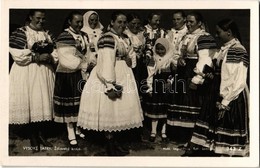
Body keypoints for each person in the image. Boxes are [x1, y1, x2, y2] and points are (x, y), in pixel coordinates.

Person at [77, 11, 144, 156]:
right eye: (119, 22)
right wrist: (109, 84)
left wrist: (130, 61)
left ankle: (116, 142)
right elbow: (105, 62)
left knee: (118, 110)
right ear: (112, 22)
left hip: (125, 74)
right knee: (110, 108)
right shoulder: (107, 38)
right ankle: (109, 144)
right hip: (110, 75)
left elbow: (132, 55)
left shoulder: (125, 38)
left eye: (124, 22)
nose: (122, 25)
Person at [189, 19, 250, 157]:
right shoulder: (225, 49)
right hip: (220, 91)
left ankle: (228, 155)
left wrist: (226, 100)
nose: (216, 35)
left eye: (218, 32)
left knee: (228, 122)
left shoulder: (237, 50)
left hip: (233, 94)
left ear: (228, 33)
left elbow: (237, 80)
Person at [9, 9, 57, 152]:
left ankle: (41, 133)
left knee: (41, 101)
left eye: (43, 19)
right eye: (38, 18)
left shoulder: (47, 33)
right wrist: (36, 57)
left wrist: (50, 57)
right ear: (30, 17)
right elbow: (16, 54)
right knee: (30, 101)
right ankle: (32, 136)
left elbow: (55, 51)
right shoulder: (22, 32)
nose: (41, 21)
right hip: (27, 72)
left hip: (44, 72)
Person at [167, 11, 217, 145]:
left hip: (193, 74)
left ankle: (192, 138)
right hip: (183, 73)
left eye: (191, 22)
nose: (188, 24)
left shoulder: (204, 37)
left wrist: (197, 79)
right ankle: (180, 136)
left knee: (193, 103)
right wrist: (178, 61)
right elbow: (177, 53)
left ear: (199, 23)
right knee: (181, 102)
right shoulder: (186, 36)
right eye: (187, 21)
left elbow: (206, 60)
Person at [53, 11, 90, 147]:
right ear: (69, 22)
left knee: (81, 101)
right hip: (67, 74)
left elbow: (88, 52)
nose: (80, 24)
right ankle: (70, 131)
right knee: (70, 103)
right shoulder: (64, 36)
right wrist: (84, 64)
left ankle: (78, 127)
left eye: (81, 22)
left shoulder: (84, 36)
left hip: (81, 73)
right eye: (77, 22)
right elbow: (66, 59)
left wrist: (90, 64)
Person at [143, 38, 175, 142]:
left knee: (165, 111)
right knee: (155, 111)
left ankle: (163, 132)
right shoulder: (153, 59)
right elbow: (150, 74)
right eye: (158, 49)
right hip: (156, 87)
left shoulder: (170, 59)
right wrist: (150, 88)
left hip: (166, 87)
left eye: (162, 49)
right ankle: (153, 131)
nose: (160, 52)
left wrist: (170, 82)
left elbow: (173, 74)